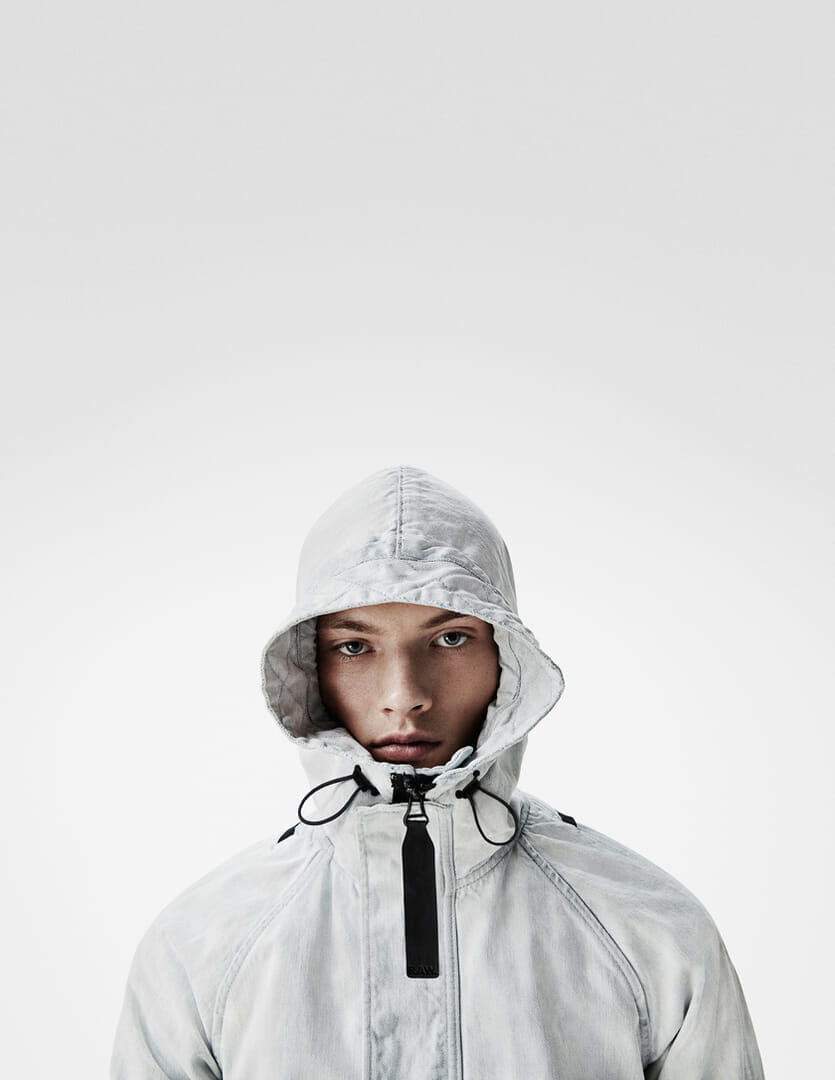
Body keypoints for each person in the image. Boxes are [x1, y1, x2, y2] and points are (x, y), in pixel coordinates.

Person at [111, 465, 763, 1079]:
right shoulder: (202, 943)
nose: (404, 696)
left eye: (450, 638)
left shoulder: (649, 931)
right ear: (310, 668)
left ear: (504, 657)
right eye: (355, 646)